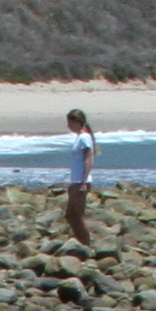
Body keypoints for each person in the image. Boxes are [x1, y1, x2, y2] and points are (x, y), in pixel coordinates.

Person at [62, 105, 95, 246]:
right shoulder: (80, 137)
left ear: (77, 122)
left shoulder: (84, 137)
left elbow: (88, 159)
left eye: (70, 123)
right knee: (71, 215)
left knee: (76, 216)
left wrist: (83, 182)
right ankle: (81, 241)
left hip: (81, 182)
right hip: (76, 181)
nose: (68, 126)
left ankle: (86, 243)